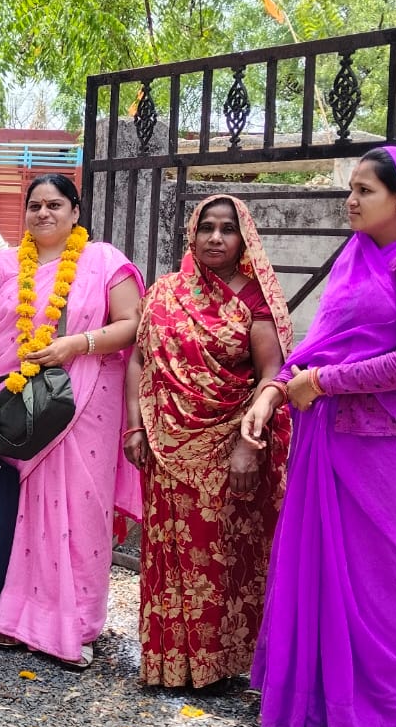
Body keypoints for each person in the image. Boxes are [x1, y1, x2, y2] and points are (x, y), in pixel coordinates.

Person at [240, 147, 396, 727]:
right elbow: (319, 345)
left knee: (378, 583)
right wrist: (274, 391)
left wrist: (323, 383)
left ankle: (370, 722)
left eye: (366, 190)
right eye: (352, 188)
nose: (351, 200)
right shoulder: (356, 258)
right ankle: (317, 709)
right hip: (330, 434)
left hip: (388, 445)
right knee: (320, 574)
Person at [0, 174, 143, 669]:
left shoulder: (103, 260)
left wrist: (77, 345)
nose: (43, 213)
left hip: (86, 402)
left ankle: (76, 624)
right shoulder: (2, 265)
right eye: (35, 205)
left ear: (75, 212)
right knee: (19, 509)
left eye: (55, 205)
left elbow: (133, 324)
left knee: (81, 512)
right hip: (20, 409)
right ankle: (15, 615)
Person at [125, 195, 292, 690]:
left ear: (244, 240)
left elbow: (272, 374)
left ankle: (216, 664)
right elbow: (139, 359)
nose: (216, 238)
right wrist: (135, 426)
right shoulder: (164, 291)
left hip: (225, 445)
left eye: (228, 229)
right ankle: (170, 664)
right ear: (192, 235)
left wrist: (248, 445)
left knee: (216, 557)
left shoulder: (255, 299)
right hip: (163, 444)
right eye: (207, 227)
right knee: (168, 550)